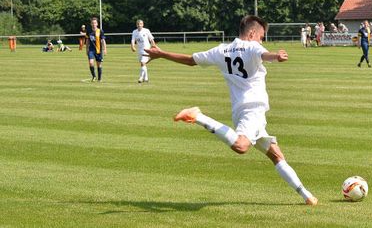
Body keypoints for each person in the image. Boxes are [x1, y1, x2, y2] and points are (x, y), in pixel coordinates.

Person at [145, 15, 318, 206]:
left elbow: (190, 60)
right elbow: (263, 54)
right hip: (252, 110)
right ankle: (198, 116)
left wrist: (162, 54)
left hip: (242, 111)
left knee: (276, 155)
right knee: (241, 146)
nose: (262, 40)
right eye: (262, 36)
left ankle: (307, 196)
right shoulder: (252, 46)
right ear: (252, 33)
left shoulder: (222, 50)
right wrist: (276, 57)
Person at [86, 17, 107, 82]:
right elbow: (87, 40)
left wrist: (105, 49)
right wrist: (86, 49)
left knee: (99, 64)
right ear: (91, 24)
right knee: (91, 63)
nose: (94, 24)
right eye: (92, 23)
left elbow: (103, 40)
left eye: (95, 23)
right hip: (91, 50)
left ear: (97, 24)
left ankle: (99, 78)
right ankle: (94, 76)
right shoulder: (89, 31)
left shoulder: (100, 31)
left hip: (98, 50)